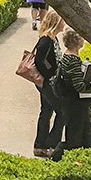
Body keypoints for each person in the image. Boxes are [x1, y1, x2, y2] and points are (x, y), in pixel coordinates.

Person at [52, 29, 91, 160]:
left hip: (73, 104)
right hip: (75, 105)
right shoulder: (73, 60)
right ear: (77, 41)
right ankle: (53, 160)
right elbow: (79, 86)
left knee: (86, 137)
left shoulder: (66, 57)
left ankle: (88, 159)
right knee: (73, 139)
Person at [33, 10, 65, 158]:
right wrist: (49, 76)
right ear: (56, 22)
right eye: (61, 20)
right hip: (47, 83)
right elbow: (39, 60)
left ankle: (40, 145)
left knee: (46, 111)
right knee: (62, 111)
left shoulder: (52, 38)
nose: (63, 23)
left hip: (48, 82)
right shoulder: (46, 40)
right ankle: (52, 143)